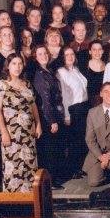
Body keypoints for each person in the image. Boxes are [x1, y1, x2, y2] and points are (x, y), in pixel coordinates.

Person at [0, 53, 42, 193]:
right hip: (12, 134)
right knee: (13, 170)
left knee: (29, 169)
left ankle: (31, 204)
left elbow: (33, 106)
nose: (17, 67)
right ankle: (12, 206)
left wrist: (38, 124)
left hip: (28, 134)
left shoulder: (26, 84)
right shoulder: (1, 85)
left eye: (20, 63)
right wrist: (4, 132)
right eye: (14, 63)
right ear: (8, 66)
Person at [32, 45, 66, 188]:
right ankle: (49, 181)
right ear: (35, 57)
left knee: (54, 148)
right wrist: (52, 121)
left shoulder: (48, 71)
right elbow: (45, 100)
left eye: (45, 53)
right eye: (40, 54)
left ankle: (53, 178)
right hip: (47, 117)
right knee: (49, 150)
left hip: (54, 114)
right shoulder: (40, 74)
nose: (44, 55)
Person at [56, 46, 89, 178]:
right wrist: (67, 115)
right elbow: (63, 95)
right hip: (73, 109)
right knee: (73, 142)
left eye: (72, 54)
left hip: (83, 107)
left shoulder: (76, 69)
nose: (70, 57)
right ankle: (72, 170)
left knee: (81, 140)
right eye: (67, 55)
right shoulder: (61, 72)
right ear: (62, 57)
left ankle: (80, 167)